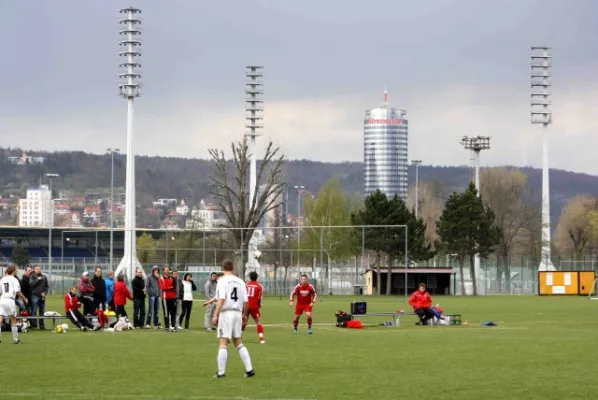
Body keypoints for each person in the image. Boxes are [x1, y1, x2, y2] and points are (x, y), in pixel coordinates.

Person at [212, 259, 255, 378]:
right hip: (237, 313)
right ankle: (249, 369)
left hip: (226, 313)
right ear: (233, 268)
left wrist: (216, 315)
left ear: (223, 268)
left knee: (223, 342)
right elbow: (246, 301)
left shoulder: (222, 281)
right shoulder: (240, 281)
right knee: (238, 342)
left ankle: (221, 372)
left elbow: (221, 299)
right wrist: (245, 315)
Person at [0, 265, 28, 344]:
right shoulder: (14, 279)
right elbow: (17, 291)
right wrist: (24, 298)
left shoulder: (2, 279)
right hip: (10, 300)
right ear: (14, 271)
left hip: (2, 299)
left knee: (0, 319)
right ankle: (15, 340)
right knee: (13, 319)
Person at [244, 271, 266, 344]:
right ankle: (262, 339)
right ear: (257, 277)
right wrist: (259, 305)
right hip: (254, 306)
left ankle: (239, 337)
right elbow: (259, 298)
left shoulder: (246, 285)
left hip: (245, 306)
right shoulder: (259, 286)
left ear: (250, 277)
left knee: (244, 321)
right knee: (258, 322)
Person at [29, 265, 49, 330]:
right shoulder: (32, 277)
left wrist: (45, 293)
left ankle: (42, 326)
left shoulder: (44, 277)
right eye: (37, 269)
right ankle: (34, 325)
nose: (39, 270)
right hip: (35, 296)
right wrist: (37, 280)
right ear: (34, 270)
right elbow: (31, 284)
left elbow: (47, 286)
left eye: (39, 269)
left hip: (42, 297)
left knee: (42, 311)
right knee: (34, 311)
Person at [159, 265, 177, 332]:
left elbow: (174, 287)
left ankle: (172, 326)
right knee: (166, 312)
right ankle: (167, 326)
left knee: (173, 312)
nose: (167, 270)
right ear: (163, 271)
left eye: (168, 269)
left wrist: (168, 287)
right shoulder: (161, 278)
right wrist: (169, 287)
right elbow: (162, 287)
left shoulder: (173, 278)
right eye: (165, 269)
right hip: (165, 298)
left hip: (172, 297)